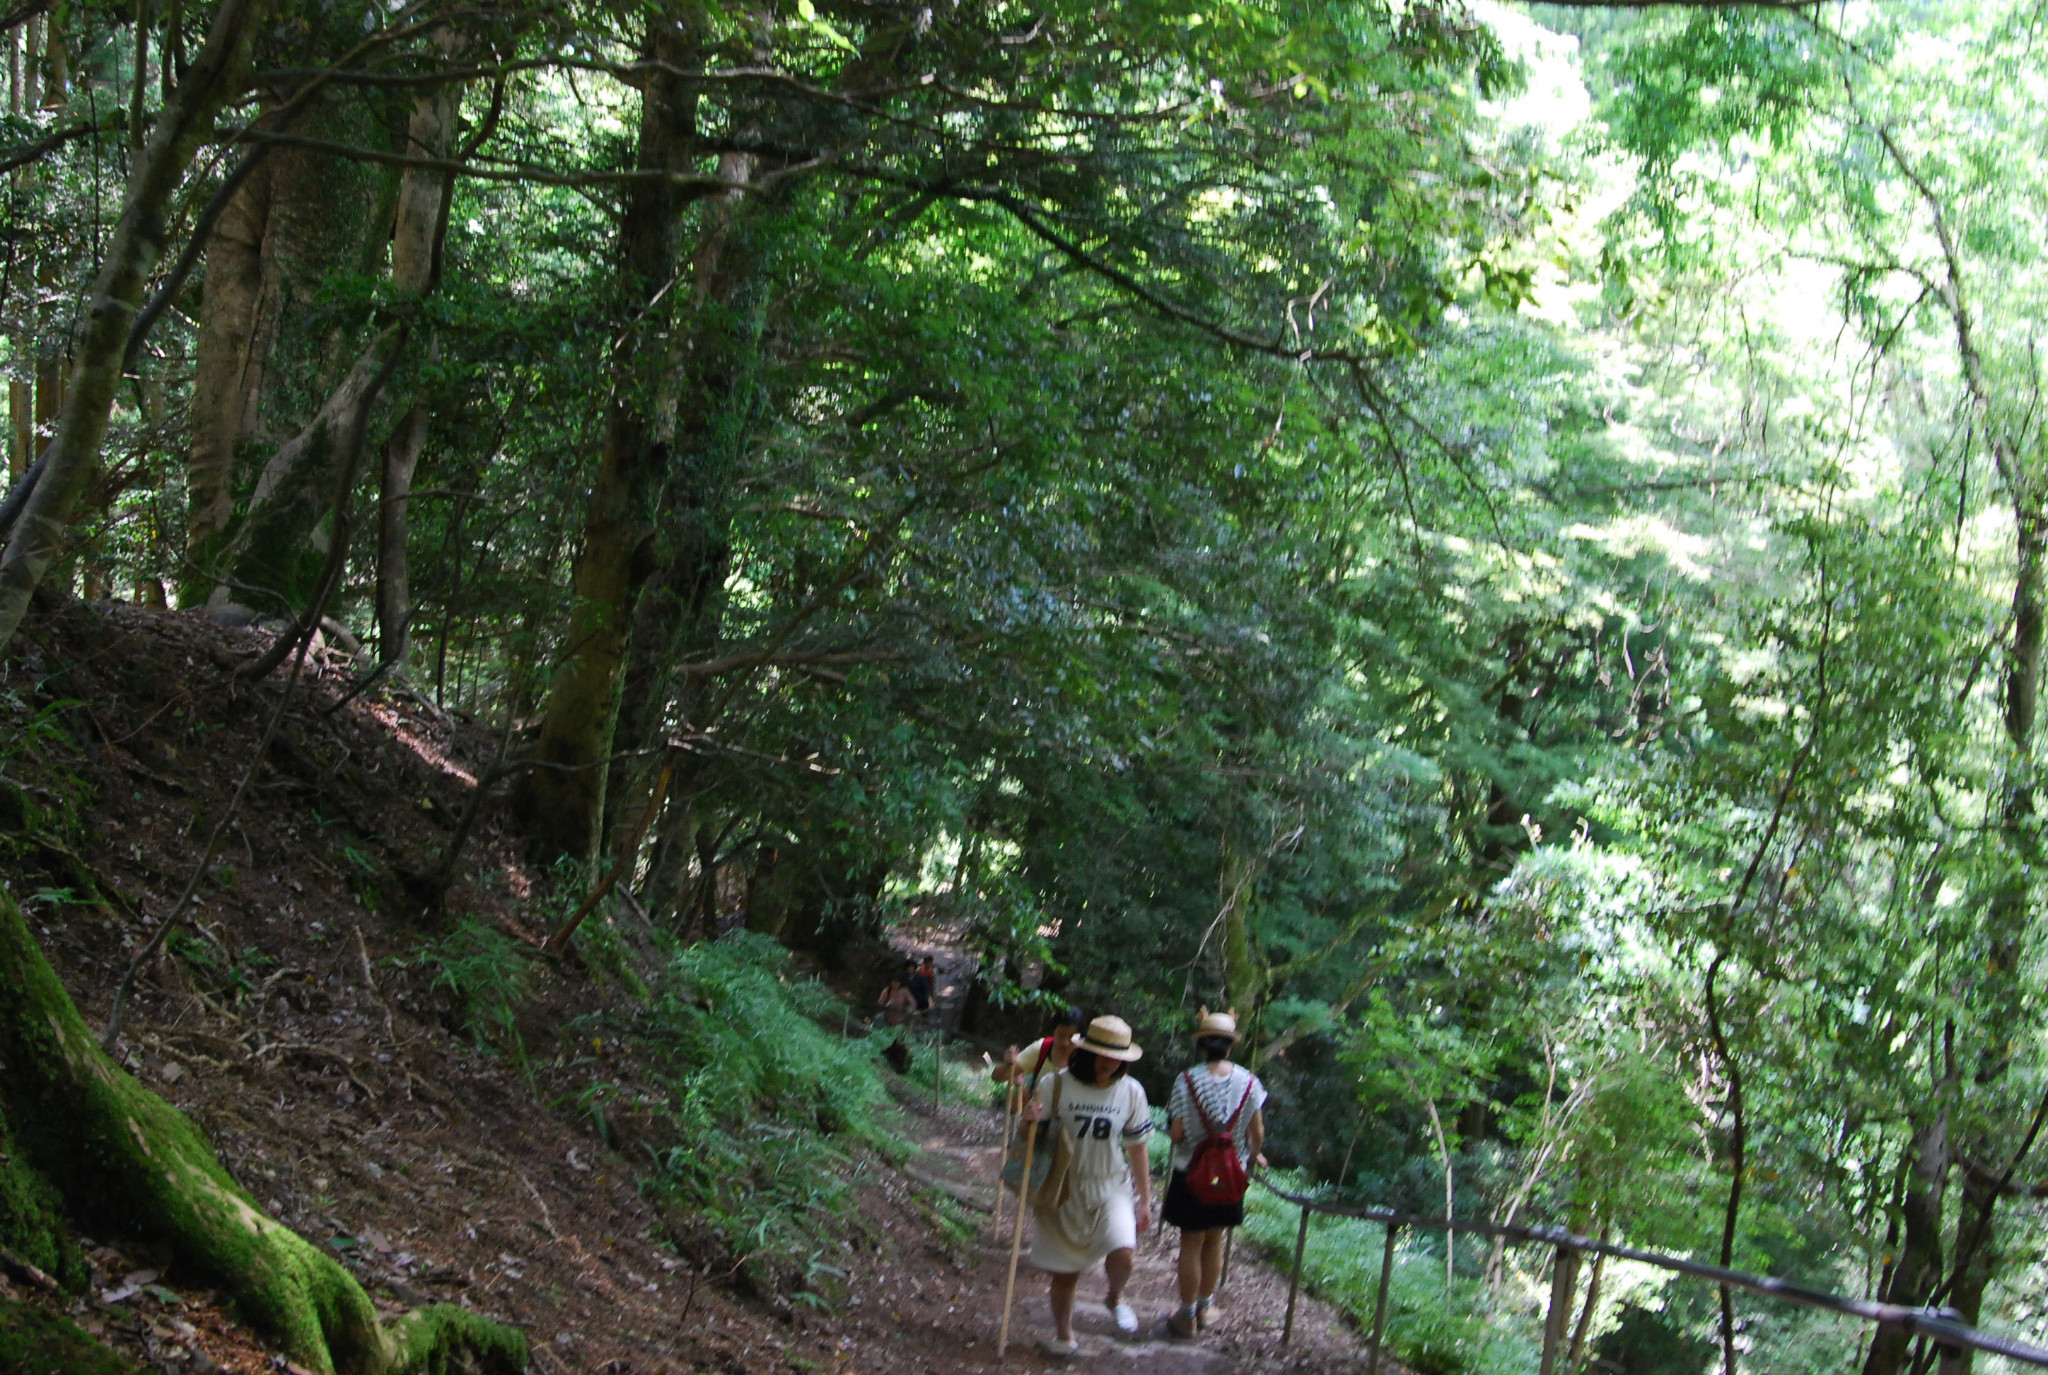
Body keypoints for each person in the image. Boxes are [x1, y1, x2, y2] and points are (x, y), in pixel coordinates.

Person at [1023, 1015, 1154, 1357]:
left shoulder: (1131, 1092)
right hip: (1063, 1187)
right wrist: (1029, 1122)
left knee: (1124, 1249)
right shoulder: (1057, 1085)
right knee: (1066, 1272)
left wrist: (1144, 1200)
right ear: (1086, 1051)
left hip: (1111, 1185)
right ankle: (1064, 1337)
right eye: (1101, 1054)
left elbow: (1137, 1147)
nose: (1108, 1063)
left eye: (1116, 1058)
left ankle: (1114, 1296)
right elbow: (1028, 1138)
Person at [1161, 1009, 1266, 1339]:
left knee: (1190, 1242)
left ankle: (1187, 1316)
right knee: (1215, 1239)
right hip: (1229, 1174)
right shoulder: (1249, 1082)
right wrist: (1253, 1155)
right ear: (1231, 1046)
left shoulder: (1186, 1080)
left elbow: (1176, 1134)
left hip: (1190, 1172)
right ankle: (1206, 1308)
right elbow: (1257, 1131)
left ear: (1203, 1045)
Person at [991, 1005, 1089, 1093]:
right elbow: (997, 1077)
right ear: (1054, 1031)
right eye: (1060, 1035)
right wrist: (1007, 1064)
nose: (1065, 1042)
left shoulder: (1088, 1057)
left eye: (1072, 1037)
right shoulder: (1042, 1048)